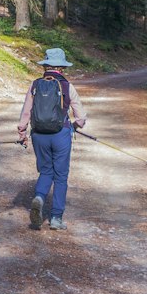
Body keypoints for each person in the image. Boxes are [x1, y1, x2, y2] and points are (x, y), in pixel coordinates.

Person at [17, 47, 86, 231]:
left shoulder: (35, 85)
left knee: (46, 170)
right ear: (62, 68)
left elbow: (26, 112)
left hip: (39, 135)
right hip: (60, 134)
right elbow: (80, 117)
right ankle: (56, 218)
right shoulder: (67, 86)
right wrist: (74, 126)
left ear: (46, 66)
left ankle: (39, 197)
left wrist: (22, 133)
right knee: (61, 176)